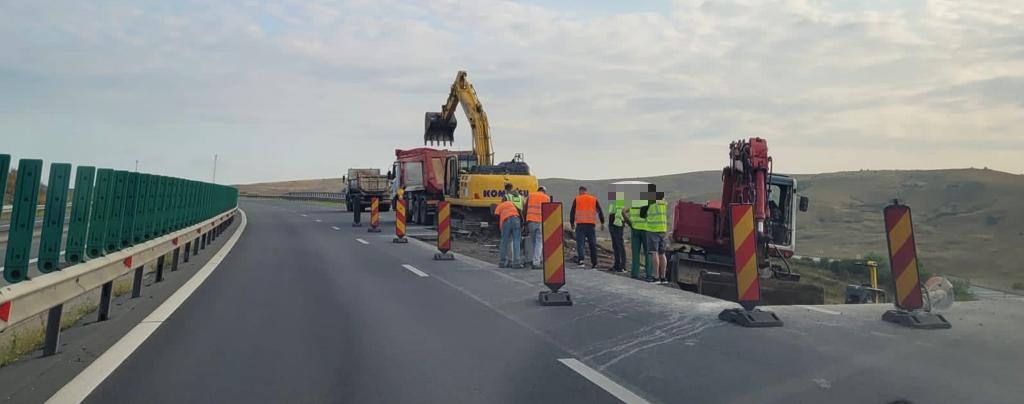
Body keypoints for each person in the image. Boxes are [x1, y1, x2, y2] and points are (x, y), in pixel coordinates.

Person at [569, 186, 604, 269]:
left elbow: (572, 212)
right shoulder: (593, 199)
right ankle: (594, 262)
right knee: (592, 244)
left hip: (580, 225)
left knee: (580, 243)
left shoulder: (577, 199)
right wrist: (602, 222)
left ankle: (581, 261)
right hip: (591, 225)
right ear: (586, 191)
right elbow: (600, 210)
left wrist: (572, 223)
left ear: (580, 191)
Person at [641, 197, 669, 284]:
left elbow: (642, 214)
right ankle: (663, 277)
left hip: (653, 229)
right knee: (662, 253)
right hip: (663, 229)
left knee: (654, 252)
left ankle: (656, 277)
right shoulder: (663, 201)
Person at [524, 186, 551, 269]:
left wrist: (525, 220)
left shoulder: (530, 195)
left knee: (534, 242)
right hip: (540, 221)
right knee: (539, 242)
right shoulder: (546, 198)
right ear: (544, 191)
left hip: (530, 221)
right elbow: (548, 210)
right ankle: (536, 262)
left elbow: (525, 208)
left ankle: (536, 259)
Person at [625, 198, 651, 280]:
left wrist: (629, 223)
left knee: (635, 253)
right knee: (648, 253)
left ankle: (635, 273)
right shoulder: (647, 202)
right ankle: (649, 274)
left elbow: (623, 212)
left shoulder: (633, 203)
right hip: (646, 229)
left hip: (635, 229)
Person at [494, 194, 523, 269]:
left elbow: (496, 216)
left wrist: (499, 226)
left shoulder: (500, 206)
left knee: (504, 242)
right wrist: (522, 224)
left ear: (502, 201)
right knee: (516, 241)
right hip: (516, 219)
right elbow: (519, 211)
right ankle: (516, 262)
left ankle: (502, 262)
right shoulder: (511, 203)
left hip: (506, 221)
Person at [607, 191, 627, 272]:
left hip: (617, 224)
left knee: (619, 245)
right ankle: (617, 264)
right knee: (615, 245)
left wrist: (617, 223)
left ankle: (622, 266)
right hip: (613, 224)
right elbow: (612, 212)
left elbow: (619, 213)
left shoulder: (619, 200)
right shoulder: (613, 202)